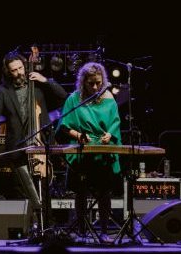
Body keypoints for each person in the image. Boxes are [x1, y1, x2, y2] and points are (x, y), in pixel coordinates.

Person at [0, 52, 68, 211]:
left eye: (21, 68)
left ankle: (46, 226)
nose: (19, 73)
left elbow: (64, 97)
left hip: (41, 145)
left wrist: (46, 81)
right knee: (22, 193)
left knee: (44, 190)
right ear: (8, 72)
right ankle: (29, 227)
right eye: (14, 70)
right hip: (18, 148)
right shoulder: (2, 92)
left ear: (25, 66)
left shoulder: (38, 85)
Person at [57, 62, 121, 240]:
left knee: (104, 192)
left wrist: (110, 134)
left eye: (99, 83)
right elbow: (63, 126)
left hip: (102, 152)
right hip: (82, 153)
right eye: (91, 83)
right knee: (81, 191)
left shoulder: (109, 98)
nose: (95, 87)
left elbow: (115, 122)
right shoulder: (74, 99)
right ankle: (82, 231)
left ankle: (103, 231)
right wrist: (77, 135)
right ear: (83, 82)